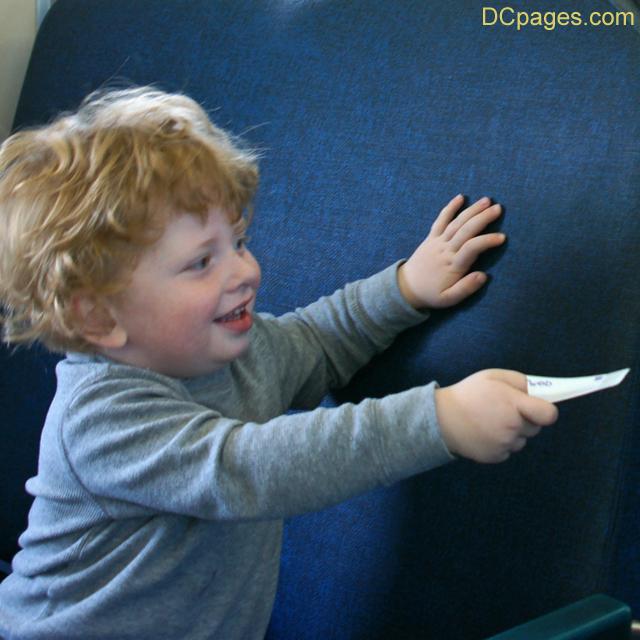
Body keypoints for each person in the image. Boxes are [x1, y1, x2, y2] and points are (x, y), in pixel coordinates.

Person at [0, 87, 558, 640]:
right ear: (98, 317)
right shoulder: (100, 418)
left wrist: (405, 288)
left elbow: (316, 342)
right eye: (201, 262)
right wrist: (439, 420)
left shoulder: (236, 353)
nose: (245, 272)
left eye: (239, 242)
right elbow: (248, 468)